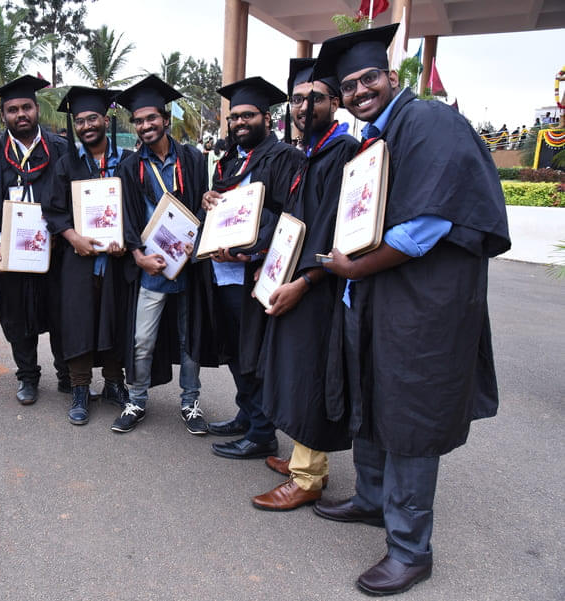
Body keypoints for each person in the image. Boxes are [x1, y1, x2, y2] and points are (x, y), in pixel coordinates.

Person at [312, 24, 510, 595]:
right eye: (348, 85)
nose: (358, 90)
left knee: (411, 414)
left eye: (368, 78)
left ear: (390, 77)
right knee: (373, 395)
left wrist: (353, 268)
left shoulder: (426, 121)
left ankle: (410, 549)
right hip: (379, 298)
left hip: (422, 308)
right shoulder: (376, 138)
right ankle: (373, 499)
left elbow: (430, 223)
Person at [250, 59, 358, 511]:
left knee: (311, 372)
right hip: (293, 277)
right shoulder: (308, 153)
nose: (302, 106)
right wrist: (270, 265)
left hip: (320, 286)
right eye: (296, 98)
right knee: (292, 369)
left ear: (335, 101)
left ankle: (308, 477)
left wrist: (305, 281)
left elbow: (334, 229)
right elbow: (293, 221)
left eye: (314, 97)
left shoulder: (343, 153)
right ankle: (301, 456)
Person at [200, 76, 304, 459]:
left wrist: (253, 250)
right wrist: (210, 198)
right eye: (234, 117)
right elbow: (221, 210)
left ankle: (263, 434)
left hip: (254, 271)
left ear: (267, 117)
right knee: (233, 348)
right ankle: (247, 414)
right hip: (222, 272)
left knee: (253, 352)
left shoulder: (285, 158)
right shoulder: (227, 160)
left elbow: (286, 215)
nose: (239, 123)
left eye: (247, 115)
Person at [113, 75, 215, 435]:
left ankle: (190, 403)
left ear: (165, 119)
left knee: (190, 338)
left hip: (187, 265)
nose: (144, 126)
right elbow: (126, 215)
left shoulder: (191, 158)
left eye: (151, 119)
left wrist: (198, 239)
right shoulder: (129, 166)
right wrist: (138, 256)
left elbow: (204, 205)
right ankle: (136, 400)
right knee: (142, 338)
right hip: (151, 268)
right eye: (138, 121)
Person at [0, 75, 70, 405]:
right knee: (15, 310)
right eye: (12, 109)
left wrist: (58, 234)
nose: (20, 114)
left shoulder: (59, 150)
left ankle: (68, 374)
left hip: (55, 247)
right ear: (4, 115)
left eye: (26, 107)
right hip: (8, 251)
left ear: (37, 109)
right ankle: (27, 376)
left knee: (60, 309)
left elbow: (72, 200)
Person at [43, 85, 132, 425]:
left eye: (91, 118)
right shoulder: (67, 165)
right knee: (78, 321)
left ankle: (113, 383)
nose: (85, 126)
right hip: (78, 259)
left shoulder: (127, 161)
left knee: (113, 319)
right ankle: (80, 387)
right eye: (79, 121)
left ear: (105, 119)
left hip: (115, 259)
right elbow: (53, 210)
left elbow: (135, 209)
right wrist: (72, 236)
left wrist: (125, 238)